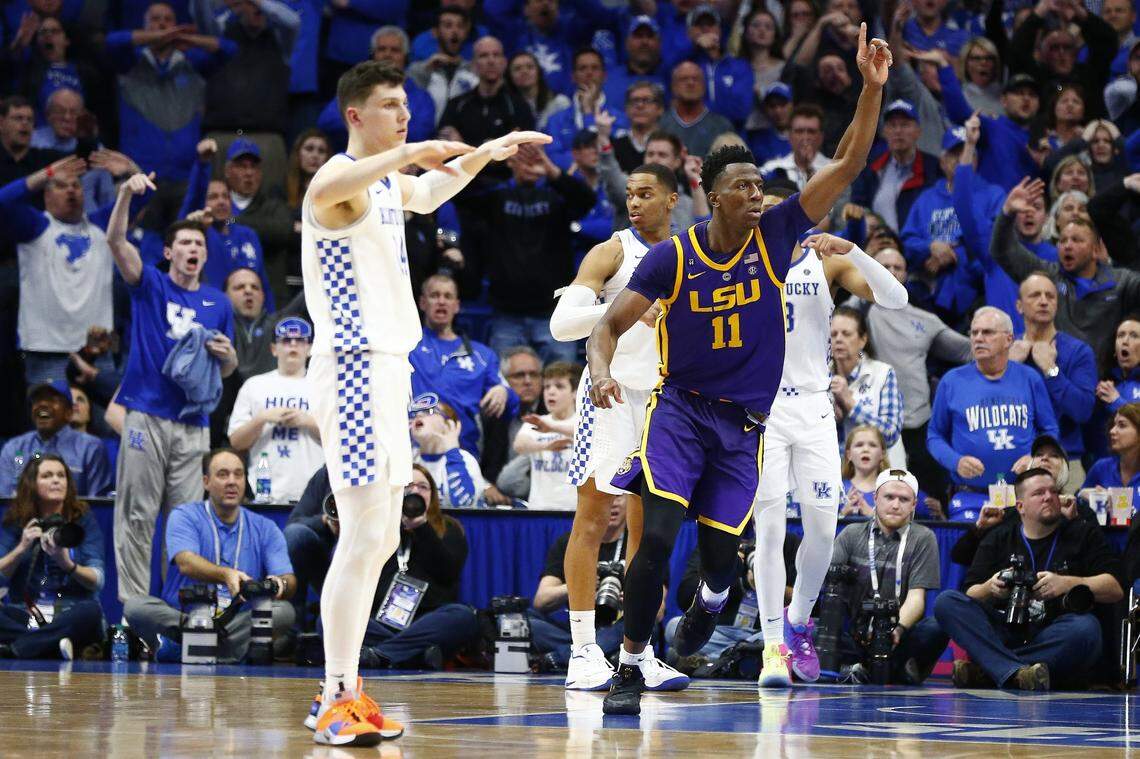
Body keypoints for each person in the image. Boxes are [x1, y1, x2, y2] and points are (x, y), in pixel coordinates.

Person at [588, 25, 893, 716]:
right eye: (744, 186)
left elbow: (847, 163)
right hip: (680, 409)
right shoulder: (673, 256)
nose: (758, 193)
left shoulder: (779, 234)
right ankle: (629, 664)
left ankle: (714, 597)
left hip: (743, 426)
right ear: (713, 193)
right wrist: (602, 369)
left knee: (722, 559)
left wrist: (871, 88)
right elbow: (606, 325)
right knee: (655, 535)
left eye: (760, 184)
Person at [299, 59, 548, 745]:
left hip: (388, 370)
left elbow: (433, 189)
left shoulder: (384, 184)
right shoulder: (335, 182)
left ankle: (346, 689)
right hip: (352, 367)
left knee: (382, 536)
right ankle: (334, 695)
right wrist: (414, 151)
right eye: (390, 105)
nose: (404, 115)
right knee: (360, 534)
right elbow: (342, 184)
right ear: (355, 114)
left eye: (407, 105)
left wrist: (488, 153)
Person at [751, 221, 909, 688]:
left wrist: (854, 250)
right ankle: (773, 647)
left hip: (815, 407)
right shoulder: (739, 259)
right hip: (762, 409)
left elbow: (897, 298)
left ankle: (798, 619)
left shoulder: (823, 261)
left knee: (823, 531)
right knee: (769, 530)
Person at [549, 161, 680, 690]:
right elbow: (562, 324)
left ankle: (637, 652)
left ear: (672, 200)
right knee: (593, 517)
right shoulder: (612, 252)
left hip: (664, 400)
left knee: (650, 535)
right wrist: (623, 310)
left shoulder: (692, 252)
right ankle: (582, 650)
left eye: (646, 193)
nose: (635, 202)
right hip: (609, 394)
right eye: (630, 194)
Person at [106, 173, 238, 604]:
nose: (193, 248)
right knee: (137, 515)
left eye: (199, 243)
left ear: (205, 254)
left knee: (183, 524)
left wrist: (228, 357)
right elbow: (115, 241)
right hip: (146, 414)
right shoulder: (150, 285)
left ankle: (179, 614)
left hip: (193, 423)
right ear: (168, 253)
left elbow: (227, 369)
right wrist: (125, 194)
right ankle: (134, 611)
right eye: (184, 243)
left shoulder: (219, 303)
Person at [934, 467, 1123, 690]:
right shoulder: (999, 536)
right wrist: (990, 587)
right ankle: (1016, 672)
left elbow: (1115, 588)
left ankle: (991, 671)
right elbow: (970, 593)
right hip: (1005, 629)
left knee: (1086, 629)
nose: (1049, 497)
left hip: (1053, 630)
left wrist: (1066, 583)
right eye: (1039, 493)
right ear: (1020, 507)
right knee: (946, 602)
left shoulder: (1082, 533)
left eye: (1053, 491)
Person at [123, 448, 297, 662]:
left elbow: (289, 579)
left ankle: (188, 647)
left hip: (236, 621)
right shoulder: (184, 515)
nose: (232, 481)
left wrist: (279, 585)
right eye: (223, 475)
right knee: (135, 607)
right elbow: (186, 562)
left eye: (238, 474)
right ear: (206, 482)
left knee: (284, 611)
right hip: (185, 617)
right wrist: (226, 575)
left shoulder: (265, 527)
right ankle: (225, 651)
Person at [928, 307, 1060, 521]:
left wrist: (1035, 456)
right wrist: (956, 461)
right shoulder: (951, 381)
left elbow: (1050, 429)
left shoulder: (1030, 378)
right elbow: (934, 435)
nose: (978, 338)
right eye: (974, 333)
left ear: (1009, 339)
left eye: (987, 332)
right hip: (970, 495)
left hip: (1023, 494)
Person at [865, 247, 971, 499]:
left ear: (906, 275)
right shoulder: (857, 312)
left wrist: (1014, 346)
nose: (891, 272)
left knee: (930, 500)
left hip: (920, 421)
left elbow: (968, 350)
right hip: (873, 422)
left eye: (897, 267)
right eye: (884, 267)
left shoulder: (925, 319)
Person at [994, 179, 1140, 361]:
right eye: (1063, 241)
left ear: (1095, 250)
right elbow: (1003, 251)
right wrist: (1007, 213)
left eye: (1076, 240)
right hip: (1054, 371)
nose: (1067, 246)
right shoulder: (1049, 276)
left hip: (1105, 376)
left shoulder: (1122, 282)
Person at [829, 468, 948, 684]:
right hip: (855, 633)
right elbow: (829, 582)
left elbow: (916, 598)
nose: (895, 505)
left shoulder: (923, 538)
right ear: (875, 498)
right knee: (814, 627)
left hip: (898, 635)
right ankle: (857, 665)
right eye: (889, 497)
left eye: (904, 499)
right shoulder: (851, 534)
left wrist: (897, 630)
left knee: (937, 627)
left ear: (914, 504)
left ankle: (899, 669)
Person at [355, 465, 479, 670]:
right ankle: (415, 655)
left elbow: (448, 574)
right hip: (383, 620)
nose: (415, 492)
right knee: (328, 619)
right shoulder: (380, 528)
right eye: (408, 486)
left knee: (463, 616)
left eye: (423, 487)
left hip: (427, 622)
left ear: (432, 495)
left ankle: (382, 654)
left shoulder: (449, 528)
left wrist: (421, 527)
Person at [0, 454, 105, 660]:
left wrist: (67, 564)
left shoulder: (82, 521)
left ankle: (20, 647)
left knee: (91, 611)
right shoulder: (18, 521)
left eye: (61, 475)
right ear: (32, 484)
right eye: (47, 476)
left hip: (70, 611)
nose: (56, 480)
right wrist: (21, 548)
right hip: (27, 612)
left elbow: (97, 580)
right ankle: (52, 646)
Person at [410, 273, 518, 459]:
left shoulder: (482, 355)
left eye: (448, 296)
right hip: (413, 450)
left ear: (457, 305)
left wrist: (504, 391)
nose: (441, 301)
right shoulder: (407, 347)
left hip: (463, 451)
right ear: (422, 303)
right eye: (434, 295)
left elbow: (513, 404)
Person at [1009, 273, 1096, 487]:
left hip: (1064, 461)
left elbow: (1083, 410)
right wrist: (1010, 369)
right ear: (1019, 306)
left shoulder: (1078, 351)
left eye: (1050, 296)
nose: (1043, 301)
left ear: (1057, 305)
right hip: (1015, 461)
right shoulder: (1006, 352)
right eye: (1035, 295)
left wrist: (1051, 369)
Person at [666, 532, 799, 671]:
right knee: (673, 627)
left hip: (764, 632)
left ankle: (712, 661)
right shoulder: (716, 539)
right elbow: (684, 597)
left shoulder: (787, 541)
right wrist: (726, 574)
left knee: (795, 637)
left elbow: (802, 603)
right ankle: (741, 656)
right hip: (721, 631)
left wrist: (767, 585)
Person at [227, 317, 323, 503]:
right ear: (273, 349)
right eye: (286, 340)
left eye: (300, 340)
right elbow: (236, 442)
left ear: (310, 348)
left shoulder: (323, 387)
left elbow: (341, 440)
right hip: (264, 489)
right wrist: (262, 418)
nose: (293, 345)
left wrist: (307, 421)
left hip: (312, 492)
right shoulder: (254, 385)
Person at [0, 379, 111, 497]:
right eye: (37, 400)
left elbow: (97, 502)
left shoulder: (90, 447)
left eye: (52, 400)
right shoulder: (16, 448)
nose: (42, 404)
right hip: (23, 509)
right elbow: (5, 498)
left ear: (69, 413)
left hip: (74, 509)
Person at [829, 305, 905, 467]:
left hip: (880, 472)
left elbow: (890, 433)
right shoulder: (820, 377)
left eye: (846, 334)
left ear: (863, 340)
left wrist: (850, 404)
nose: (838, 339)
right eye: (833, 334)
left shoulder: (883, 373)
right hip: (836, 472)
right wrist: (830, 419)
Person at [850, 99, 939, 234]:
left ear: (918, 131)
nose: (898, 131)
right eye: (892, 125)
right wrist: (865, 218)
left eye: (905, 125)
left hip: (922, 243)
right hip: (878, 243)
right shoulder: (869, 167)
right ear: (884, 132)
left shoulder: (935, 168)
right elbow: (857, 205)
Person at [512, 361, 579, 510]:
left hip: (573, 510)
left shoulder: (584, 423)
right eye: (547, 387)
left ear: (575, 392)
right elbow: (519, 445)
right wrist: (546, 446)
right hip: (539, 509)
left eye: (559, 386)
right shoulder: (536, 422)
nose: (551, 392)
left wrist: (552, 427)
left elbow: (583, 432)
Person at [409, 396, 487, 509]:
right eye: (415, 414)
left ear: (449, 424)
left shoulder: (465, 459)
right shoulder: (408, 459)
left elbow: (464, 504)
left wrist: (452, 452)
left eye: (429, 411)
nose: (419, 415)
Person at [659, 61, 734, 159]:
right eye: (684, 79)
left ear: (704, 86)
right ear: (673, 87)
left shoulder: (722, 126)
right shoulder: (661, 124)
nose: (691, 83)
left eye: (696, 79)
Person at [759, 104, 830, 191]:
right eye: (799, 131)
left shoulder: (834, 170)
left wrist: (809, 169)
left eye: (811, 131)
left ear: (821, 137)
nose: (805, 137)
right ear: (789, 135)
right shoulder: (772, 168)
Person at [1082, 403, 1140, 500]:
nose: (1112, 431)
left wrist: (1115, 501)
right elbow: (1079, 500)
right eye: (1114, 425)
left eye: (1122, 425)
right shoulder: (1101, 467)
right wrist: (1083, 496)